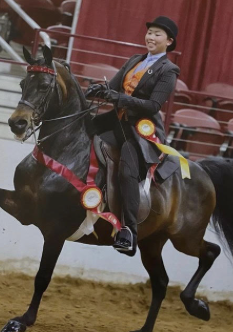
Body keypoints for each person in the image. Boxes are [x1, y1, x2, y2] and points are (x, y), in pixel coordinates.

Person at [85, 16, 180, 257]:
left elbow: (152, 105)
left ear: (168, 42)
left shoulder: (168, 71)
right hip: (118, 123)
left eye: (158, 34)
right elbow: (114, 89)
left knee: (127, 169)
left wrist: (117, 98)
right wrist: (101, 91)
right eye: (150, 32)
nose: (151, 37)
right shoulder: (134, 60)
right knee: (81, 133)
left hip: (141, 132)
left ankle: (129, 231)